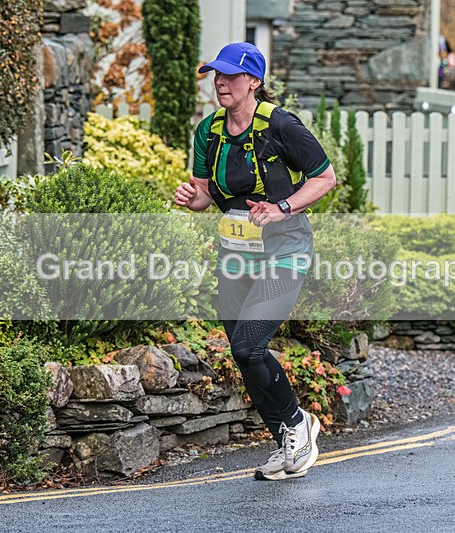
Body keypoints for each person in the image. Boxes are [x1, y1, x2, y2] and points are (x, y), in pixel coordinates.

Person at [173, 42, 337, 481]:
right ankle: (285, 441)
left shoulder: (281, 125)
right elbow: (206, 193)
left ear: (254, 82)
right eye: (216, 75)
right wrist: (193, 199)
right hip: (236, 255)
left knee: (249, 344)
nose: (220, 83)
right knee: (243, 355)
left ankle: (299, 424)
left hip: (285, 250)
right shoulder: (208, 130)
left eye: (229, 75)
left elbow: (325, 178)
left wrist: (282, 207)